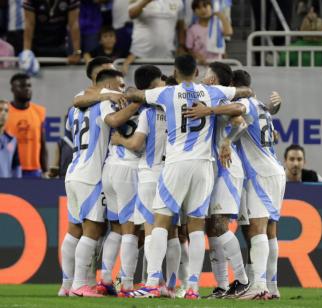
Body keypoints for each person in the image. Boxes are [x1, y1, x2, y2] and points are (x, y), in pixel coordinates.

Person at [124, 55, 253, 299]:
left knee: (161, 221)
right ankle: (193, 287)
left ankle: (152, 283)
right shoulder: (212, 91)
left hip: (176, 164)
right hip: (204, 166)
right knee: (196, 227)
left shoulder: (167, 93)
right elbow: (245, 91)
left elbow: (135, 95)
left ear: (175, 71)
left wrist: (123, 94)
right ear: (196, 72)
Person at [59, 69, 145, 297]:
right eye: (119, 85)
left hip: (74, 172)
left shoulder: (79, 104)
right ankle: (79, 284)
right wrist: (138, 101)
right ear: (107, 84)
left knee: (74, 230)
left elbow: (78, 101)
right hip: (91, 173)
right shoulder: (106, 101)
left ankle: (68, 284)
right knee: (93, 229)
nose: (122, 89)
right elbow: (114, 119)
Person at [108, 65, 181, 298]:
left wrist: (120, 140)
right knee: (173, 232)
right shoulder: (177, 109)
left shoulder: (148, 112)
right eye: (160, 79)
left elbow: (137, 144)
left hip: (150, 173)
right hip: (173, 173)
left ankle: (151, 282)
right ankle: (170, 284)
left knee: (151, 229)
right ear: (154, 83)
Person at [230, 69, 286, 300]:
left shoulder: (244, 104)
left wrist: (226, 140)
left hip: (260, 173)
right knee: (270, 231)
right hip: (274, 169)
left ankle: (259, 286)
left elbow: (239, 124)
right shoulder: (262, 107)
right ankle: (271, 286)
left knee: (257, 229)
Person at [201, 62, 249, 299]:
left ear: (212, 80)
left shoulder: (219, 100)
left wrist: (227, 141)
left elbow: (240, 120)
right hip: (214, 169)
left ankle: (242, 281)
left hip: (228, 168)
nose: (202, 77)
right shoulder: (209, 99)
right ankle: (221, 286)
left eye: (206, 74)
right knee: (212, 228)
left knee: (219, 225)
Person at [122, 0, 186, 74]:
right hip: (139, 56)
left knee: (164, 84)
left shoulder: (178, 1)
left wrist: (181, 45)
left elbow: (181, 25)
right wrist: (145, 2)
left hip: (166, 55)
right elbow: (131, 14)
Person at [4, 73, 47, 178]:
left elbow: (42, 144)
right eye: (22, 86)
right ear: (13, 89)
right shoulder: (4, 112)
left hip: (34, 171)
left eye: (29, 86)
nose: (27, 89)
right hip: (10, 170)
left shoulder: (39, 111)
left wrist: (45, 170)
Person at [186, 0, 233, 65]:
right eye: (198, 8)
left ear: (211, 8)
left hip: (217, 63)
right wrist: (197, 56)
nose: (202, 10)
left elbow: (228, 33)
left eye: (205, 6)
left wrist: (222, 16)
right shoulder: (192, 29)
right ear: (194, 12)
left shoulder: (217, 25)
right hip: (200, 64)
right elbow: (189, 49)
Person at [0, 99, 22, 178]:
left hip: (6, 186)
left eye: (6, 111)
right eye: (0, 110)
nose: (3, 113)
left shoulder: (13, 140)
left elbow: (16, 167)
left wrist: (18, 184)